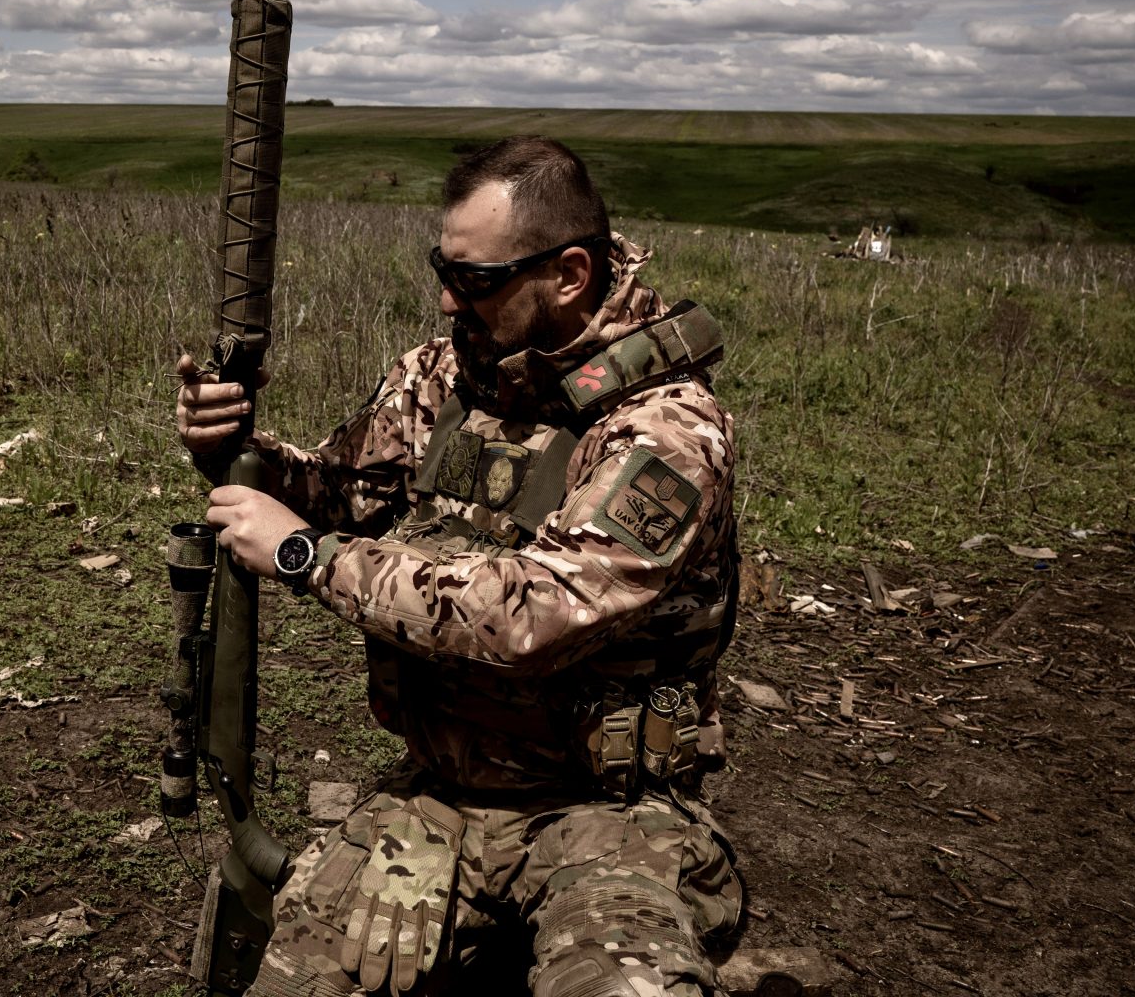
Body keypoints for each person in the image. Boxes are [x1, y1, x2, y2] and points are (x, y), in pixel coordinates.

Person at [176, 136, 742, 997]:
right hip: (434, 796)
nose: (447, 297)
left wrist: (302, 555)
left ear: (571, 274)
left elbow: (534, 616)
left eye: (475, 279)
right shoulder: (443, 377)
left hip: (606, 816)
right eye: (442, 267)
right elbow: (336, 491)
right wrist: (239, 454)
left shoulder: (666, 430)